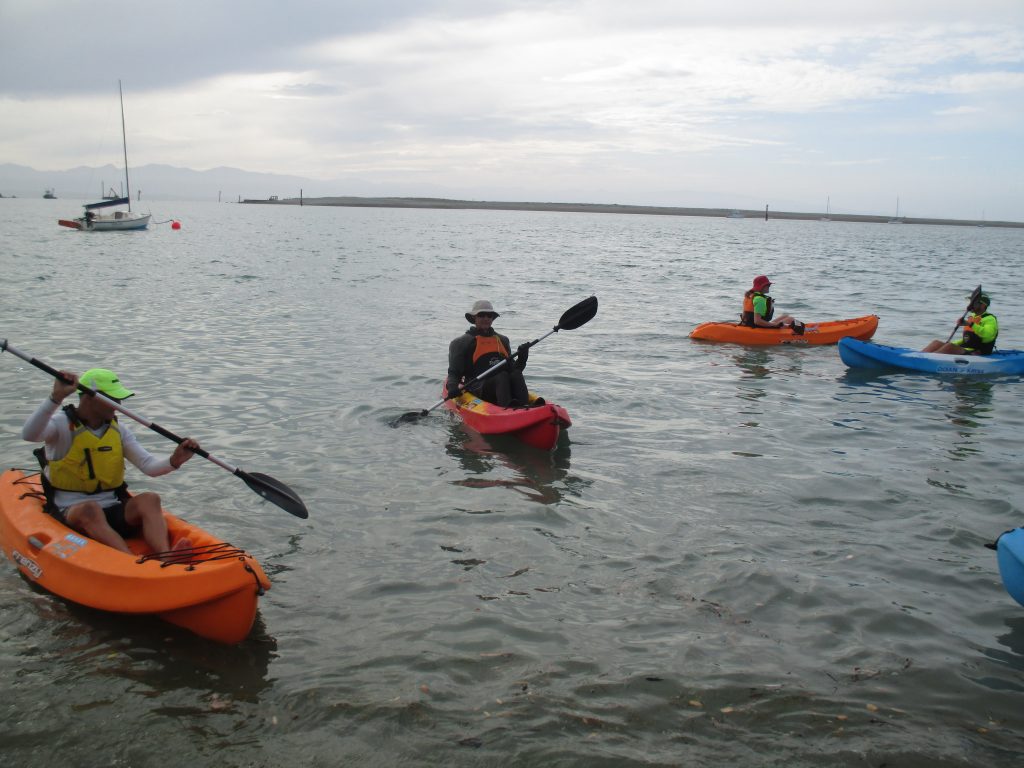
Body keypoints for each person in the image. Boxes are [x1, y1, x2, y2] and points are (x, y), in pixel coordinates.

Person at [22, 367, 200, 556]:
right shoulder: (61, 425)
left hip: (111, 508)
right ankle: (130, 562)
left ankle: (166, 556)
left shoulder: (119, 430)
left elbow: (149, 466)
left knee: (150, 499)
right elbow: (29, 434)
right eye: (113, 399)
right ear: (90, 398)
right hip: (70, 511)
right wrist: (55, 398)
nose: (119, 404)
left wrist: (174, 460)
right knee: (90, 510)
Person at [445, 300, 536, 407]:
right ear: (474, 317)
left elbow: (513, 370)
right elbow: (454, 372)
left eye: (489, 315)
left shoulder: (503, 340)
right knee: (501, 376)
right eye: (481, 315)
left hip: (503, 387)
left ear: (492, 318)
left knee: (516, 375)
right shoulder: (461, 342)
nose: (486, 318)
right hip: (477, 388)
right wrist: (452, 387)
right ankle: (506, 409)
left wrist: (522, 357)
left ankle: (525, 407)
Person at [922, 293, 998, 355]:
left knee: (949, 347)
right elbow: (968, 339)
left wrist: (971, 324)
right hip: (967, 348)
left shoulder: (990, 319)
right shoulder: (973, 317)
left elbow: (988, 335)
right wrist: (952, 343)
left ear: (983, 305)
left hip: (979, 351)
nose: (970, 305)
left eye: (973, 303)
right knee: (936, 343)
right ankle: (920, 356)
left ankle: (928, 360)